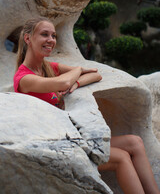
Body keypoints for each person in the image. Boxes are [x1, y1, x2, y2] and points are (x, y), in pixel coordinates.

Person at [14, 17, 160, 194]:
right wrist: (76, 72)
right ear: (28, 39)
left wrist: (75, 84)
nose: (51, 40)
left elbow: (95, 75)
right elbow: (64, 82)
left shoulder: (48, 67)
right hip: (53, 144)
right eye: (44, 34)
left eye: (53, 35)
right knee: (121, 157)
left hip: (71, 136)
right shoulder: (24, 78)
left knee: (135, 142)